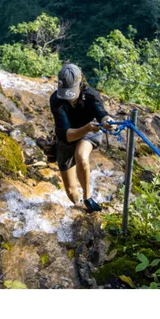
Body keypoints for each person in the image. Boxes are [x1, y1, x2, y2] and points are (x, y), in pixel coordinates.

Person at [49, 63, 114, 212]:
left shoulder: (91, 95)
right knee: (71, 191)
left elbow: (101, 113)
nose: (69, 98)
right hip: (67, 137)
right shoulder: (56, 100)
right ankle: (78, 207)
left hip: (90, 133)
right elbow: (67, 135)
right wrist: (87, 127)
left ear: (80, 82)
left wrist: (108, 121)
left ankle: (87, 197)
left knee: (81, 156)